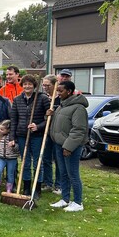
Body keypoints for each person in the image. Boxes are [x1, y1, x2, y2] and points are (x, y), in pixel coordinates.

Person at [49, 81, 89, 212]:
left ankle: (78, 202)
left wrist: (68, 147)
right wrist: (50, 114)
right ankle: (65, 199)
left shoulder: (79, 108)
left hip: (70, 147)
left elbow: (79, 130)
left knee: (73, 174)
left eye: (61, 91)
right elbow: (59, 124)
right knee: (63, 173)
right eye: (58, 91)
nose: (58, 94)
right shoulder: (62, 106)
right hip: (59, 145)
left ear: (70, 91)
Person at [9, 74, 50, 198]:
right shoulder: (17, 100)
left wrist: (38, 126)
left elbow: (48, 118)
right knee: (25, 162)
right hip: (22, 135)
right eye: (25, 84)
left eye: (30, 84)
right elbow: (14, 120)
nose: (27, 86)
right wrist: (12, 138)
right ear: (22, 85)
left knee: (37, 162)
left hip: (37, 135)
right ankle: (26, 188)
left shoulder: (42, 98)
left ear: (34, 86)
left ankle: (37, 189)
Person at [41, 74, 61, 195]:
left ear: (55, 85)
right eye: (43, 85)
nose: (45, 87)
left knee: (58, 160)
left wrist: (55, 113)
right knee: (46, 159)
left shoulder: (61, 98)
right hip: (46, 133)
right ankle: (48, 183)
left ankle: (59, 185)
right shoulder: (44, 98)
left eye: (47, 85)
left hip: (58, 133)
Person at [0, 119, 19, 194]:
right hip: (1, 158)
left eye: (2, 129)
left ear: (8, 129)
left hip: (12, 159)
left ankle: (9, 189)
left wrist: (13, 145)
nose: (0, 131)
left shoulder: (13, 137)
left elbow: (18, 149)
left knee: (10, 174)